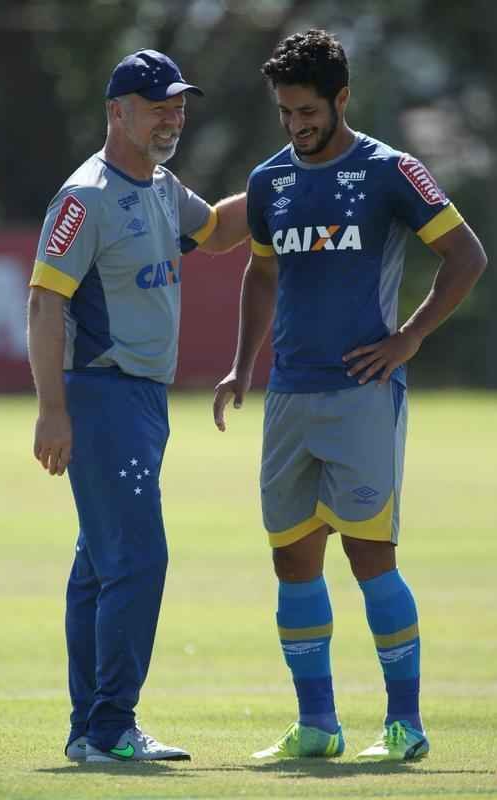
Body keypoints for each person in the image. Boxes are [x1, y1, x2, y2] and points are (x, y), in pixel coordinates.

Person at [213, 29, 486, 762]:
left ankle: (404, 725)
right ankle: (317, 726)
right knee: (291, 561)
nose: (295, 125)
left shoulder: (391, 170)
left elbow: (465, 254)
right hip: (288, 397)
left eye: (306, 110)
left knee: (371, 556)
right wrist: (243, 365)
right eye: (284, 113)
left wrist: (411, 336)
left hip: (363, 394)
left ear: (340, 99)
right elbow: (261, 273)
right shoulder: (271, 181)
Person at [28, 49, 247, 764]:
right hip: (101, 395)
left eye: (178, 104)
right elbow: (43, 301)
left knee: (100, 563)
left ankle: (88, 729)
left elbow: (212, 231)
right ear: (116, 112)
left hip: (141, 400)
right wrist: (52, 410)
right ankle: (109, 727)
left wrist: (283, 185)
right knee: (138, 559)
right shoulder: (84, 195)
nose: (173, 116)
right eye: (158, 104)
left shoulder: (157, 185)